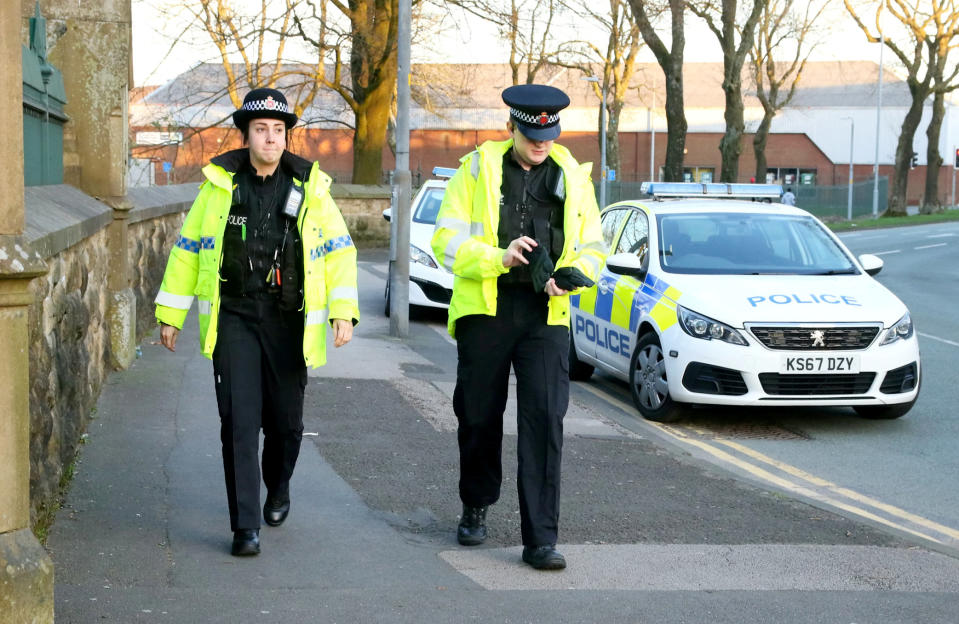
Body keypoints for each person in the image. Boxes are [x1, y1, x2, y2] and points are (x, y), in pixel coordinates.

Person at [154, 88, 359, 557]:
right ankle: (245, 526)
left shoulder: (312, 189)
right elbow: (189, 251)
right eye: (262, 130)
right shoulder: (218, 188)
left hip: (289, 321)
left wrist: (344, 310)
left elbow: (339, 253)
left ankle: (279, 486)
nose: (271, 138)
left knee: (286, 424)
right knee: (239, 422)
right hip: (236, 318)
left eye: (279, 131)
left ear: (287, 137)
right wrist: (171, 313)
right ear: (246, 135)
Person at [431, 84, 606, 571]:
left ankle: (541, 539)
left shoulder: (574, 176)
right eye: (532, 134)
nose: (542, 142)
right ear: (513, 127)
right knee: (479, 416)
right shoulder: (476, 170)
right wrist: (497, 257)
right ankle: (476, 502)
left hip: (545, 316)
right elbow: (445, 241)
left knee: (545, 419)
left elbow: (594, 245)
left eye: (549, 134)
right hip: (486, 310)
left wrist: (573, 278)